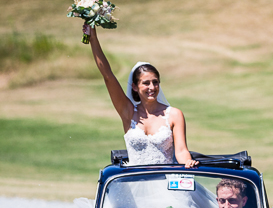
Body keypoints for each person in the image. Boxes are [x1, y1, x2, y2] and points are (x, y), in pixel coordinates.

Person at [84, 24, 198, 167]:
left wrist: (188, 162)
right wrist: (93, 38)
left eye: (155, 82)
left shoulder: (174, 115)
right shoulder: (128, 112)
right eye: (146, 83)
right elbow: (108, 76)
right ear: (135, 87)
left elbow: (181, 151)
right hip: (135, 183)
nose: (152, 87)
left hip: (164, 183)